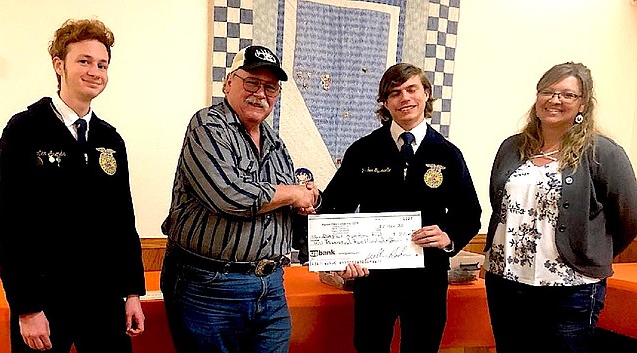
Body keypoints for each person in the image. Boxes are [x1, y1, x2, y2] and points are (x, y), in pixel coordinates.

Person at [0, 19, 146, 352]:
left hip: (103, 297)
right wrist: (27, 307)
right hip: (45, 299)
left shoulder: (110, 139)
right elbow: (12, 224)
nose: (96, 71)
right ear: (59, 65)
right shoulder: (25, 130)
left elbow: (123, 220)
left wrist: (132, 292)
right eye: (84, 61)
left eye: (102, 64)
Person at [160, 45, 319, 353]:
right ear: (228, 83)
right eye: (252, 82)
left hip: (271, 285)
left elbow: (288, 199)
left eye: (270, 88)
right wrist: (293, 193)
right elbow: (229, 195)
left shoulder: (276, 142)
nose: (261, 94)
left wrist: (308, 200)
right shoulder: (208, 125)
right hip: (210, 286)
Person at [318, 63, 482, 353]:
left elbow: (469, 213)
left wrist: (449, 238)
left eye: (411, 89)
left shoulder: (447, 153)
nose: (404, 98)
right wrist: (340, 258)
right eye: (394, 93)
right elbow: (333, 208)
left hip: (427, 279)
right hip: (372, 278)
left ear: (426, 94)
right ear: (385, 102)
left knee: (422, 348)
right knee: (369, 347)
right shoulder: (363, 150)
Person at [484, 62, 637, 353]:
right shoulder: (512, 148)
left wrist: (587, 252)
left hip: (570, 288)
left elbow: (629, 218)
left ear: (583, 104)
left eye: (567, 95)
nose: (555, 100)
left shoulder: (602, 152)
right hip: (506, 282)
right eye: (548, 91)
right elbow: (499, 204)